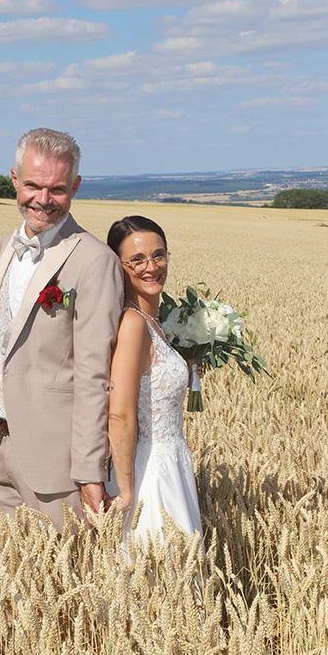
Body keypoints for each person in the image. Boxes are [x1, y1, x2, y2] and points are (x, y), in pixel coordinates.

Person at [0, 128, 124, 537]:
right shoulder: (5, 248)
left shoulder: (94, 261)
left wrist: (90, 471)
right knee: (6, 583)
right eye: (33, 185)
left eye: (57, 189)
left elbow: (97, 375)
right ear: (14, 179)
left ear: (75, 186)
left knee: (61, 588)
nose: (43, 199)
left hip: (56, 464)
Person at [104, 215, 203, 551]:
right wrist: (128, 491)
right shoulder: (133, 323)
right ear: (118, 266)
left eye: (159, 255)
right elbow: (119, 414)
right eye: (137, 259)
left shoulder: (154, 321)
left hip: (173, 462)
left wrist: (186, 367)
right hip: (150, 473)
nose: (151, 266)